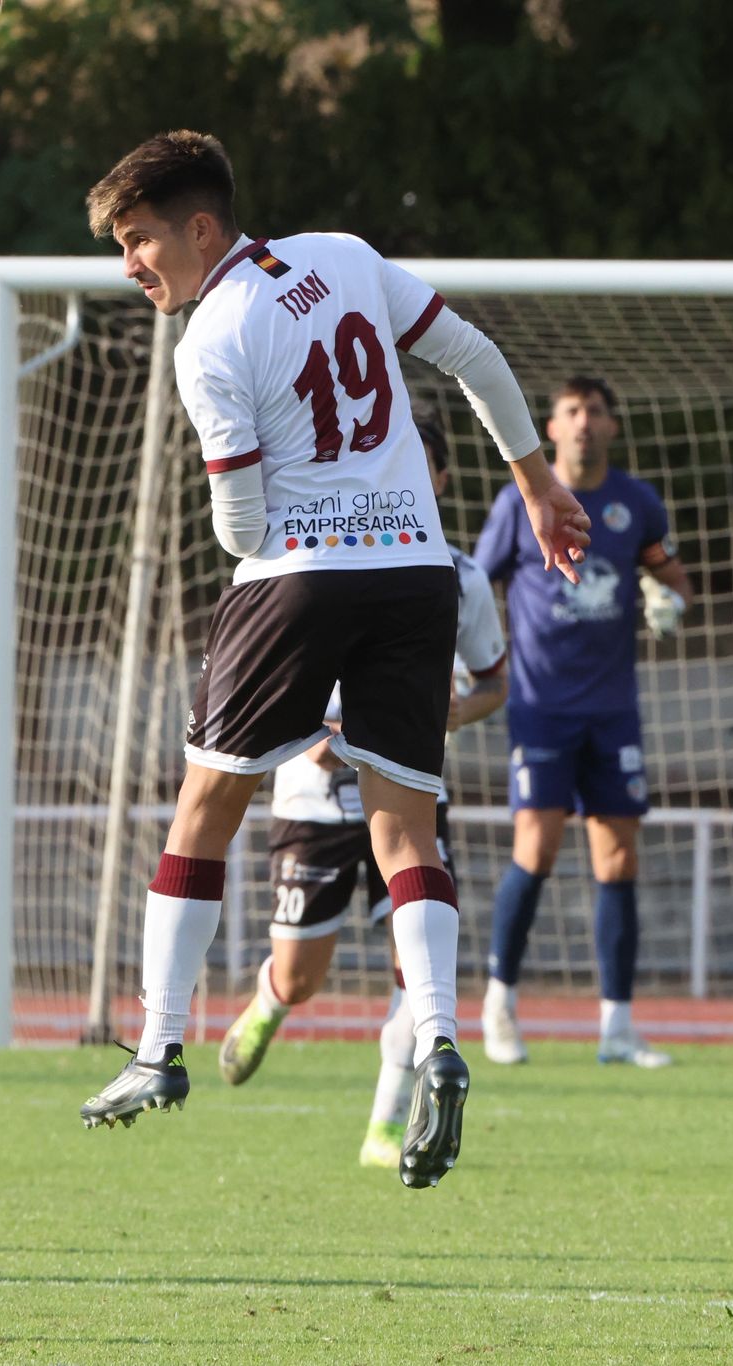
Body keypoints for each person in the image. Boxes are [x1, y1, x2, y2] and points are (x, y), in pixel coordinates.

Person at [74, 130, 591, 1191]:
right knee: (406, 822)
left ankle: (156, 1050)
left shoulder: (207, 337)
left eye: (138, 241)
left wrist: (271, 538)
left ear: (201, 228)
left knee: (204, 805)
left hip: (298, 577)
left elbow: (237, 524)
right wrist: (534, 482)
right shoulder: (346, 256)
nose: (130, 265)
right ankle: (440, 1040)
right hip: (416, 570)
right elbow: (475, 356)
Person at [215, 408, 509, 1169]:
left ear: (437, 476)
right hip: (313, 804)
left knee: (418, 969)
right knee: (302, 975)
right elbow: (269, 675)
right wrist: (311, 733)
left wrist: (454, 710)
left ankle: (385, 1124)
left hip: (407, 798)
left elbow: (491, 683)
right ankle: (272, 1000)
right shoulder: (310, 554)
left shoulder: (458, 577)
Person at [475, 376, 695, 1068]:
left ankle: (618, 1027)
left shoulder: (636, 503)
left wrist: (669, 602)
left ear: (612, 427)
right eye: (571, 412)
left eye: (595, 411)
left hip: (613, 712)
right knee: (535, 849)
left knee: (619, 859)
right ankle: (499, 1007)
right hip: (542, 709)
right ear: (549, 427)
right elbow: (475, 584)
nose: (583, 423)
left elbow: (673, 577)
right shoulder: (519, 502)